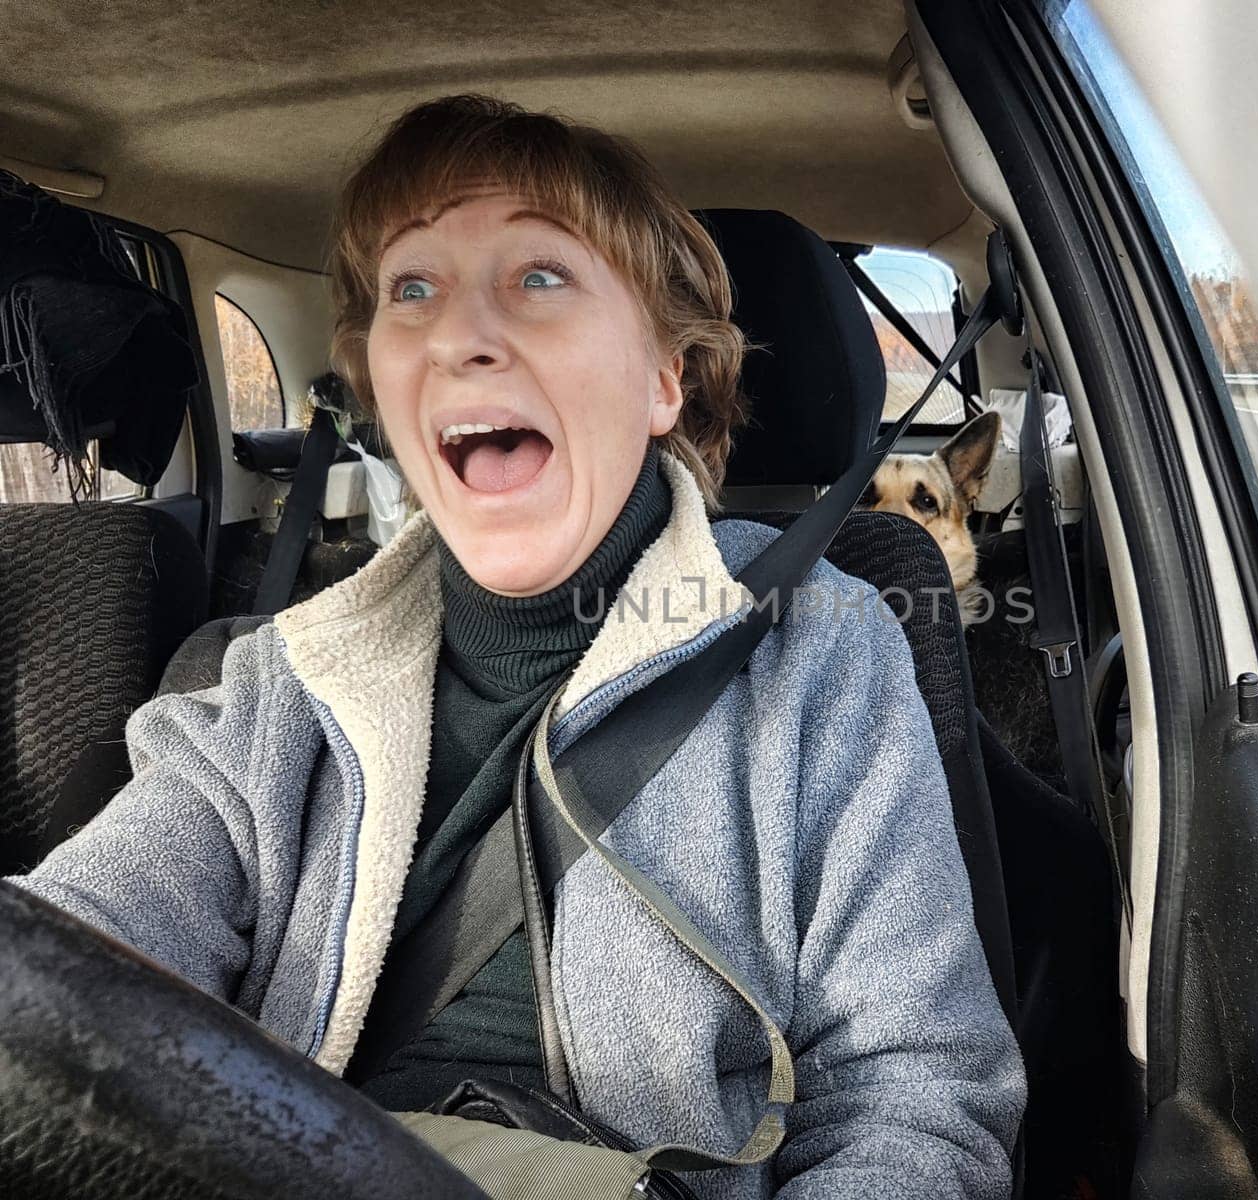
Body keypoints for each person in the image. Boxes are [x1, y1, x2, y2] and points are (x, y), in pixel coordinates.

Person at [11, 95, 1024, 1198]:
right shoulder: (269, 686)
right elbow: (70, 959)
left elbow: (916, 1098)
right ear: (385, 400)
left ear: (659, 381)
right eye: (413, 289)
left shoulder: (823, 654)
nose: (456, 334)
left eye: (541, 276)